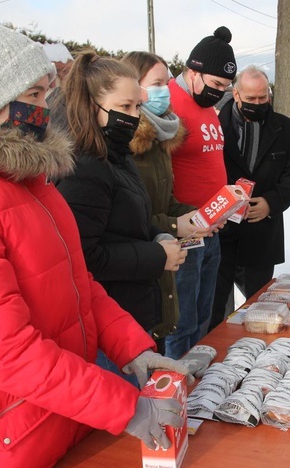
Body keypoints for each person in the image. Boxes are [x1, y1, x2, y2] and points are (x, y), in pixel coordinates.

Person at [0, 18, 188, 468]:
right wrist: (123, 405)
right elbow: (5, 352)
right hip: (6, 444)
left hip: (60, 419)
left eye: (47, 91)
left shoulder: (28, 181)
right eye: (32, 95)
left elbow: (77, 284)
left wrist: (132, 349)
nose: (45, 106)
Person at [54, 52, 187, 377]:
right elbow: (85, 259)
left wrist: (158, 236)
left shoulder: (116, 153)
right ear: (91, 106)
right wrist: (156, 255)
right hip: (109, 333)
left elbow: (125, 225)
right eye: (124, 107)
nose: (133, 116)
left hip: (131, 317)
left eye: (137, 107)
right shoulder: (84, 167)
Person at [121, 51, 211, 348]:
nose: (165, 90)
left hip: (162, 259)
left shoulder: (161, 136)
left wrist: (199, 216)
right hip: (139, 268)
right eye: (157, 83)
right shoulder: (126, 144)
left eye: (167, 82)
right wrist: (176, 225)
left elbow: (164, 200)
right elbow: (129, 218)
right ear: (134, 87)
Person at [210, 65, 290, 330]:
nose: (257, 103)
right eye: (251, 99)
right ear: (236, 95)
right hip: (222, 232)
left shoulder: (285, 129)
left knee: (262, 311)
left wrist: (271, 203)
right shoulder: (215, 126)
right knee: (216, 309)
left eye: (263, 98)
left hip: (262, 233)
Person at [165, 26, 237, 359]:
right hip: (185, 230)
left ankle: (197, 378)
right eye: (217, 85)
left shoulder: (206, 106)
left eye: (225, 87)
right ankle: (176, 383)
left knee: (204, 312)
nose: (220, 93)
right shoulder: (168, 102)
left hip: (213, 228)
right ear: (193, 73)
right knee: (182, 320)